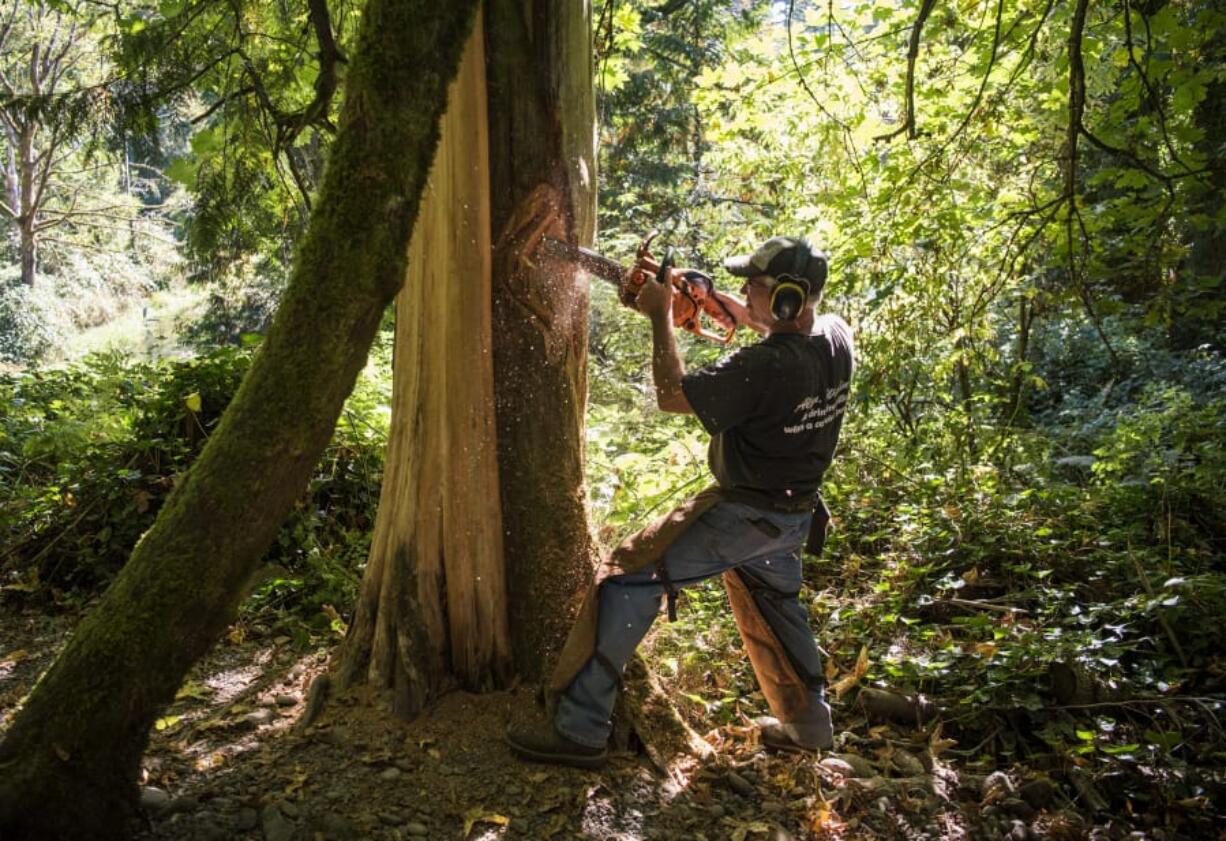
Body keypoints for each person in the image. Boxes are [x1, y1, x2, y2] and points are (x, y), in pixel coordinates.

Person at [507, 235, 855, 769]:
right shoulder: (835, 337)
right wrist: (707, 299)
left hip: (744, 516)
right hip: (793, 518)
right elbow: (776, 327)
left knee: (625, 579)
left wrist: (661, 316)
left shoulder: (766, 367)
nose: (742, 290)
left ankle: (580, 731)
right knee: (777, 607)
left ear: (787, 298)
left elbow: (673, 395)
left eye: (753, 286)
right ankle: (811, 728)